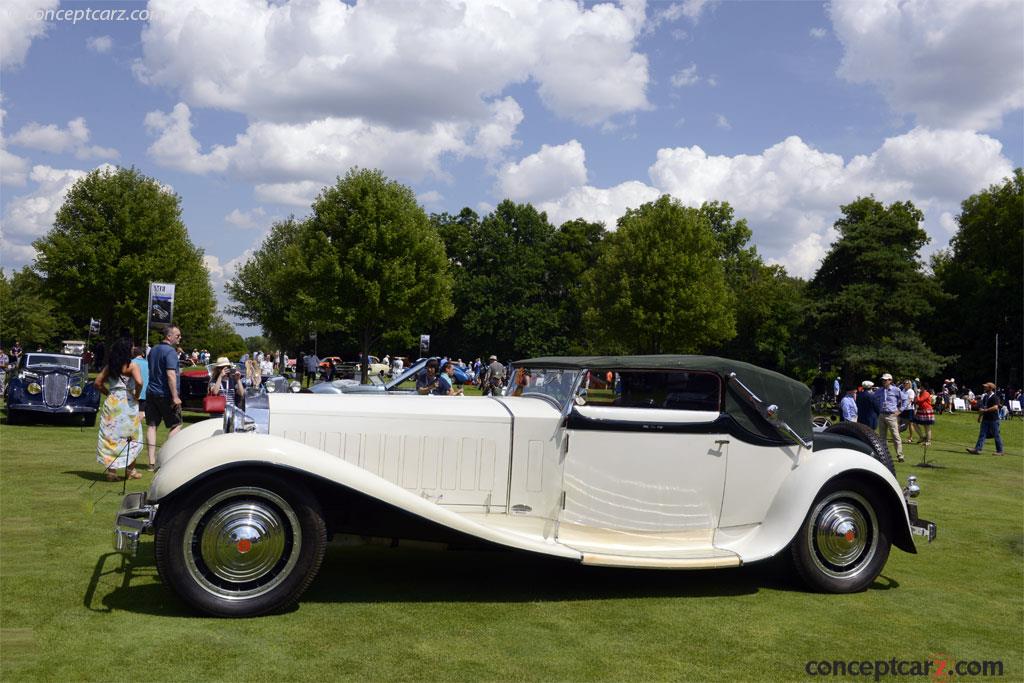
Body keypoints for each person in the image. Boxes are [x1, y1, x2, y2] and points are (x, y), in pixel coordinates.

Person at [95, 339, 144, 481]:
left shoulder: (110, 367)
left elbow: (97, 383)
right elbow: (139, 382)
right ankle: (130, 470)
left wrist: (109, 393)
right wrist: (136, 394)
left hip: (112, 402)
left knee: (111, 436)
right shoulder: (132, 366)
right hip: (127, 403)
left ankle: (112, 472)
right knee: (133, 436)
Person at [146, 325, 183, 470]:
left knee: (152, 425)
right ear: (169, 336)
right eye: (177, 335)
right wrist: (175, 396)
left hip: (151, 393)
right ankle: (166, 459)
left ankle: (151, 462)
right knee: (177, 424)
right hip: (165, 394)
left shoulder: (153, 350)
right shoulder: (170, 352)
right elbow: (170, 375)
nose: (180, 338)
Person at [967, 382, 1004, 455]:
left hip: (994, 420)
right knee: (982, 434)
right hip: (985, 419)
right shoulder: (985, 397)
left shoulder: (995, 397)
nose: (984, 388)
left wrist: (985, 410)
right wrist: (980, 417)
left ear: (990, 388)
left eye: (986, 387)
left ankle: (1000, 451)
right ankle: (977, 449)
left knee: (996, 435)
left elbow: (995, 407)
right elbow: (982, 407)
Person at [878, 373, 905, 463]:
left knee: (895, 436)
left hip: (891, 415)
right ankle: (884, 455)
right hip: (881, 415)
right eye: (883, 380)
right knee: (882, 437)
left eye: (886, 380)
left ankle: (900, 455)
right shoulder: (880, 390)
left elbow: (906, 399)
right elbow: (873, 398)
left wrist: (900, 410)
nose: (884, 381)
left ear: (890, 380)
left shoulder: (896, 390)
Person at [131, 346, 148, 414]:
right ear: (143, 354)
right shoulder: (148, 363)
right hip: (145, 392)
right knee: (141, 413)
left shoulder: (131, 363)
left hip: (133, 392)